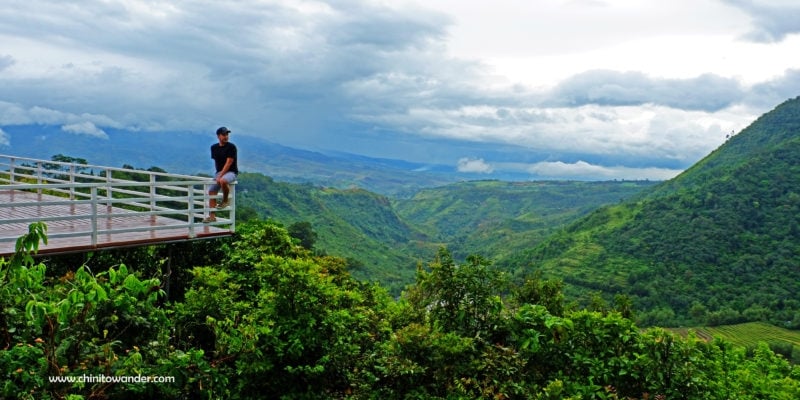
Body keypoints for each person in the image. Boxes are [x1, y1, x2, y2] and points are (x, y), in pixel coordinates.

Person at [204, 126, 238, 223]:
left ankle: (225, 201)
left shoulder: (231, 147)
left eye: (227, 134)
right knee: (211, 191)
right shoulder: (214, 148)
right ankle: (212, 216)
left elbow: (229, 162)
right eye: (224, 134)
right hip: (220, 172)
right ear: (218, 136)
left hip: (231, 172)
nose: (226, 136)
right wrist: (218, 174)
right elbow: (216, 162)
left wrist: (220, 175)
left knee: (223, 180)